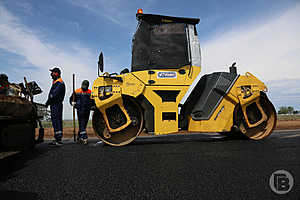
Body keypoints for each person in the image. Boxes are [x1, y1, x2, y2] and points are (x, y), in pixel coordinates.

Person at [46, 67, 66, 146]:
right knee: (56, 121)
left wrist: (48, 101)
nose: (51, 74)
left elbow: (54, 95)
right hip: (55, 104)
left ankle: (58, 140)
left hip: (56, 104)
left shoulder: (59, 83)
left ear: (57, 73)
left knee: (56, 121)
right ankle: (57, 138)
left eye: (53, 73)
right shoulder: (56, 82)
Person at [69, 80, 93, 145]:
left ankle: (79, 137)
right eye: (83, 86)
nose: (84, 87)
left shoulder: (90, 92)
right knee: (82, 123)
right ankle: (84, 138)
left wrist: (93, 106)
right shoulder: (77, 91)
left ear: (87, 86)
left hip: (87, 110)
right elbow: (71, 99)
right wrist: (72, 103)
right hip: (80, 109)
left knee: (84, 124)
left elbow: (93, 101)